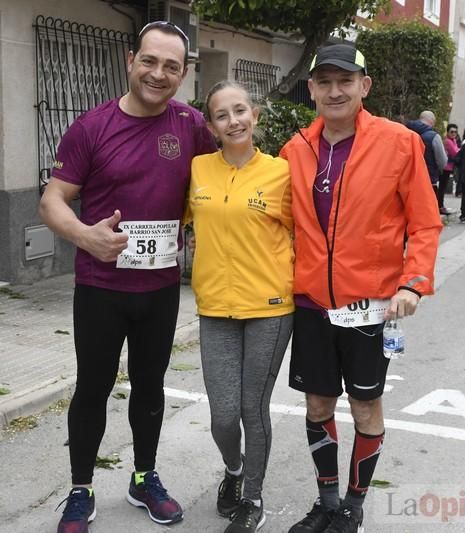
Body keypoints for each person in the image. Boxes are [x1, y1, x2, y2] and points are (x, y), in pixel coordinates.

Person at [39, 21, 217, 533]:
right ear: (129, 60)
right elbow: (52, 200)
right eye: (149, 61)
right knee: (92, 388)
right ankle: (80, 489)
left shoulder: (190, 127)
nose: (158, 74)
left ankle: (144, 478)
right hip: (100, 287)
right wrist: (83, 235)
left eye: (171, 66)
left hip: (159, 289)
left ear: (183, 74)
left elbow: (224, 180)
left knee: (150, 387)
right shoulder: (90, 127)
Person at [280, 44, 442, 533]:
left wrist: (413, 283)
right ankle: (327, 501)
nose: (334, 91)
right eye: (324, 82)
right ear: (311, 89)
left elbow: (426, 223)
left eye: (344, 81)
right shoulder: (295, 150)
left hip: (371, 305)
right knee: (316, 403)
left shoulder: (398, 142)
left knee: (366, 403)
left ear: (363, 86)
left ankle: (353, 505)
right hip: (311, 302)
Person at [186, 80, 294, 533]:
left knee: (254, 408)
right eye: (222, 115)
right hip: (215, 307)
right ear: (211, 125)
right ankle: (234, 469)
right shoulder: (196, 169)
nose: (234, 121)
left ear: (256, 116)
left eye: (240, 111)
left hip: (269, 307)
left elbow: (311, 231)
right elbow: (170, 215)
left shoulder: (281, 173)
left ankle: (252, 498)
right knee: (223, 415)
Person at [405, 111, 447, 212]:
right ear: (432, 121)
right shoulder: (433, 137)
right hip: (428, 180)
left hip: (407, 180)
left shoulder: (405, 131)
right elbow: (442, 161)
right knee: (426, 212)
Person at [440, 123, 460, 213]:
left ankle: (440, 204)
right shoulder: (448, 141)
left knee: (443, 187)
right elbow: (455, 152)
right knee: (442, 187)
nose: (454, 134)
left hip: (449, 167)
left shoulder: (453, 140)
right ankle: (440, 205)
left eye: (455, 132)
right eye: (452, 132)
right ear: (447, 132)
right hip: (445, 167)